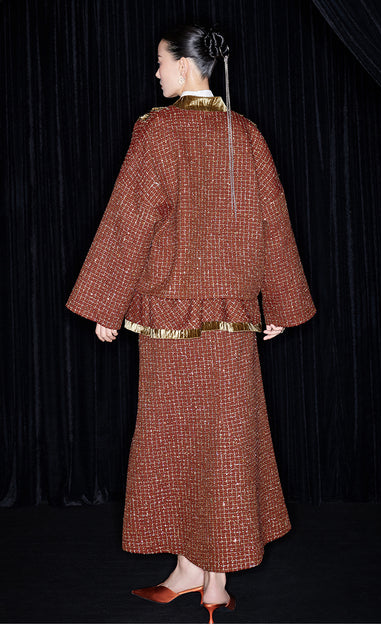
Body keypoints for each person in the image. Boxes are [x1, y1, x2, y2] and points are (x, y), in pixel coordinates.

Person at [65, 23, 316, 624]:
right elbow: (273, 221)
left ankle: (209, 582)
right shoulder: (245, 133)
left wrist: (105, 305)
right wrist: (282, 306)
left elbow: (131, 219)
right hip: (231, 322)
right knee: (221, 445)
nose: (155, 72)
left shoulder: (158, 131)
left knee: (177, 445)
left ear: (184, 65)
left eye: (160, 61)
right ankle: (199, 579)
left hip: (172, 324)